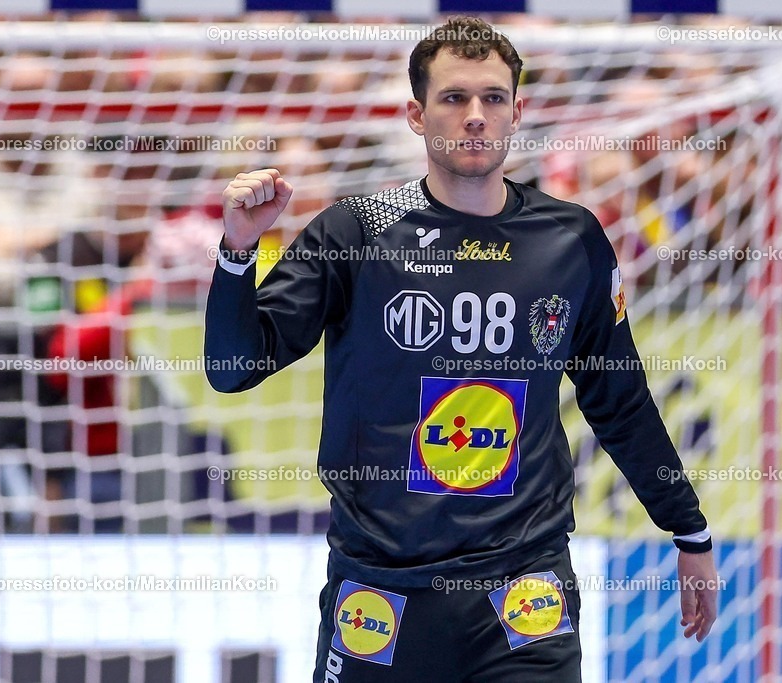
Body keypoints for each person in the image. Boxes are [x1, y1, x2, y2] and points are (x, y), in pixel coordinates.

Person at [204, 16, 717, 682]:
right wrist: (239, 252)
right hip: (380, 593)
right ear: (416, 115)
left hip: (523, 593)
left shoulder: (570, 239)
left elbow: (620, 402)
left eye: (492, 99)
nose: (475, 116)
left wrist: (690, 531)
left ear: (517, 112)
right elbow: (233, 368)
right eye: (453, 98)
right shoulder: (356, 232)